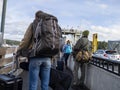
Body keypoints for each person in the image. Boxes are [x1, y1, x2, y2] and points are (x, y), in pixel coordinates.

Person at [16, 11, 55, 90]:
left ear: (36, 16)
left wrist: (19, 51)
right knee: (45, 85)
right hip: (47, 58)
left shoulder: (34, 24)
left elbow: (26, 40)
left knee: (33, 84)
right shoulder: (52, 25)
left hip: (35, 57)